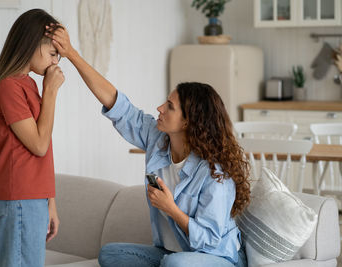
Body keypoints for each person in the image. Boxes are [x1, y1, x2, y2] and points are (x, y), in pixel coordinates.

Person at [46, 25, 250, 267]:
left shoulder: (215, 173)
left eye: (170, 106)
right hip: (172, 254)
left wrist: (171, 209)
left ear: (188, 122)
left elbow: (209, 240)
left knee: (176, 265)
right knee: (110, 254)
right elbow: (118, 105)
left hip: (218, 258)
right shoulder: (158, 140)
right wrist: (71, 54)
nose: (160, 109)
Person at [0, 9, 64, 267]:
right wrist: (51, 92)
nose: (56, 62)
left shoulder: (27, 84)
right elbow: (39, 145)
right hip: (19, 199)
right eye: (52, 53)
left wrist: (50, 202)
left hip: (31, 198)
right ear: (30, 44)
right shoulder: (9, 87)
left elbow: (43, 148)